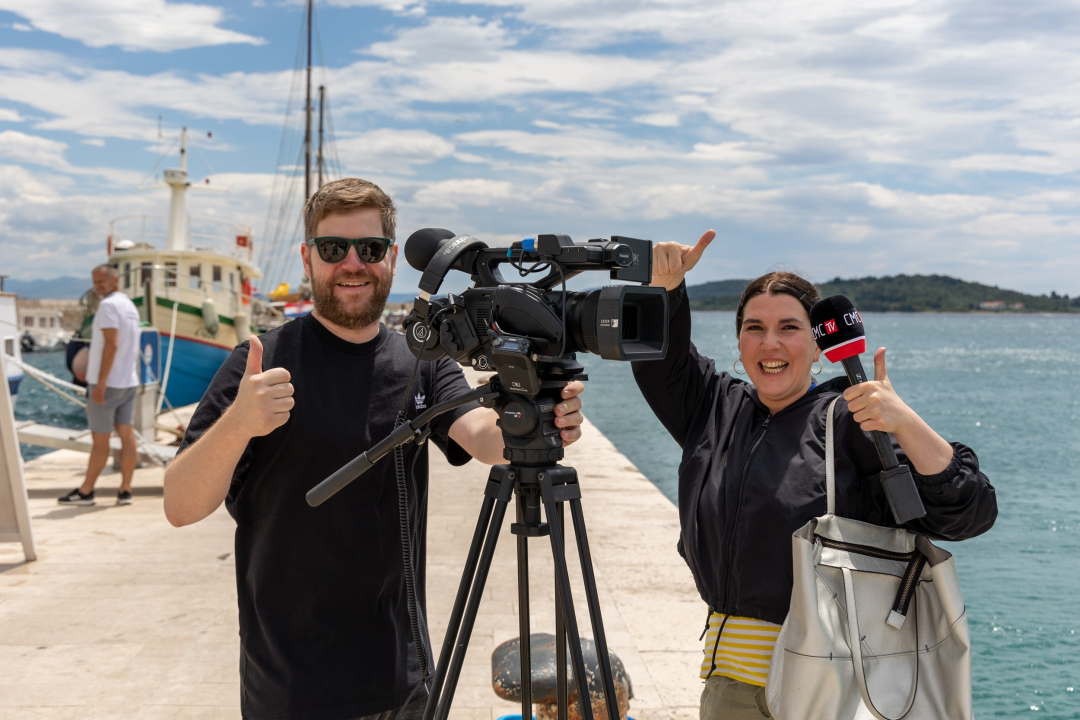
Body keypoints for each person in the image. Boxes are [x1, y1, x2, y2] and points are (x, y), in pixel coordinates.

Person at [163, 178, 587, 720]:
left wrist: (539, 415)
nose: (352, 263)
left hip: (403, 678)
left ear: (390, 258)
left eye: (370, 248)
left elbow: (480, 434)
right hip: (292, 687)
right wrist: (239, 423)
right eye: (333, 248)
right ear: (308, 258)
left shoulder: (420, 361)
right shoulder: (262, 360)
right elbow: (181, 505)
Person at [632, 232, 998, 720]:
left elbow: (968, 513)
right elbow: (662, 361)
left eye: (789, 327)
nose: (771, 343)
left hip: (836, 686)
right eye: (754, 327)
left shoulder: (849, 419)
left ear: (820, 345)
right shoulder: (714, 409)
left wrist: (904, 422)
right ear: (738, 342)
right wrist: (666, 289)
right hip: (731, 689)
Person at [58, 264, 141, 507]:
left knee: (101, 440)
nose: (97, 286)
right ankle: (125, 490)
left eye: (101, 281)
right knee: (126, 435)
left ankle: (86, 492)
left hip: (109, 383)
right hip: (128, 381)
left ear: (115, 280)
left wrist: (101, 383)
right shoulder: (130, 306)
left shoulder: (107, 306)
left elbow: (111, 344)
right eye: (95, 282)